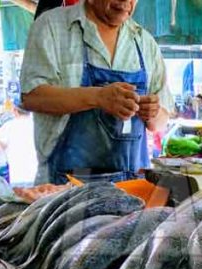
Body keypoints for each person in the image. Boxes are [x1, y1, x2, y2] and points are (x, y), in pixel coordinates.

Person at [21, 0, 174, 185]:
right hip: (64, 190)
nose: (126, 2)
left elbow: (161, 121)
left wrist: (153, 112)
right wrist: (97, 97)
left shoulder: (144, 42)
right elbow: (32, 96)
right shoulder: (51, 27)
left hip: (131, 191)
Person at [0, 100, 38, 185]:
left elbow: (1, 146)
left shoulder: (8, 126)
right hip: (35, 175)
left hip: (16, 174)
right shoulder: (36, 126)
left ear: (15, 110)